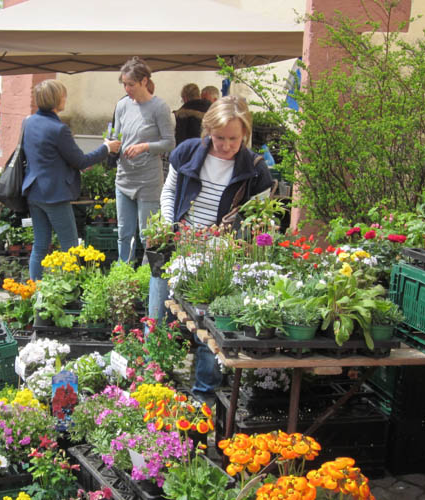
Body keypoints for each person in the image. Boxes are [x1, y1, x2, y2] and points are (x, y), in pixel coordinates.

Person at [150, 95, 273, 400]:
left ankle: (203, 395)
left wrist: (217, 245)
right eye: (219, 137)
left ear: (245, 134)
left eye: (234, 138)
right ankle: (154, 386)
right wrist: (168, 225)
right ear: (207, 131)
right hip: (176, 250)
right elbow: (169, 192)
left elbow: (252, 223)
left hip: (219, 260)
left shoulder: (257, 171)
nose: (226, 145)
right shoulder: (187, 152)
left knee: (211, 328)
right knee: (159, 317)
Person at [22, 79, 121, 280]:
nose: (65, 98)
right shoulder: (58, 129)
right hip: (55, 194)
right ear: (56, 99)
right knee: (70, 247)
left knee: (40, 245)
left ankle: (34, 290)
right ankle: (70, 291)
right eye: (63, 95)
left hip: (34, 191)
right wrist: (107, 148)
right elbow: (80, 161)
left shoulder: (29, 122)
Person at [114, 56, 175, 262]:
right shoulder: (122, 105)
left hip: (148, 181)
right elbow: (117, 136)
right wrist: (112, 144)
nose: (127, 89)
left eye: (131, 84)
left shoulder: (159, 107)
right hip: (123, 179)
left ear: (144, 82)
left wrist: (145, 147)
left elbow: (169, 142)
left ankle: (147, 280)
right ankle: (123, 276)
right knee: (124, 234)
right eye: (124, 84)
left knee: (147, 235)